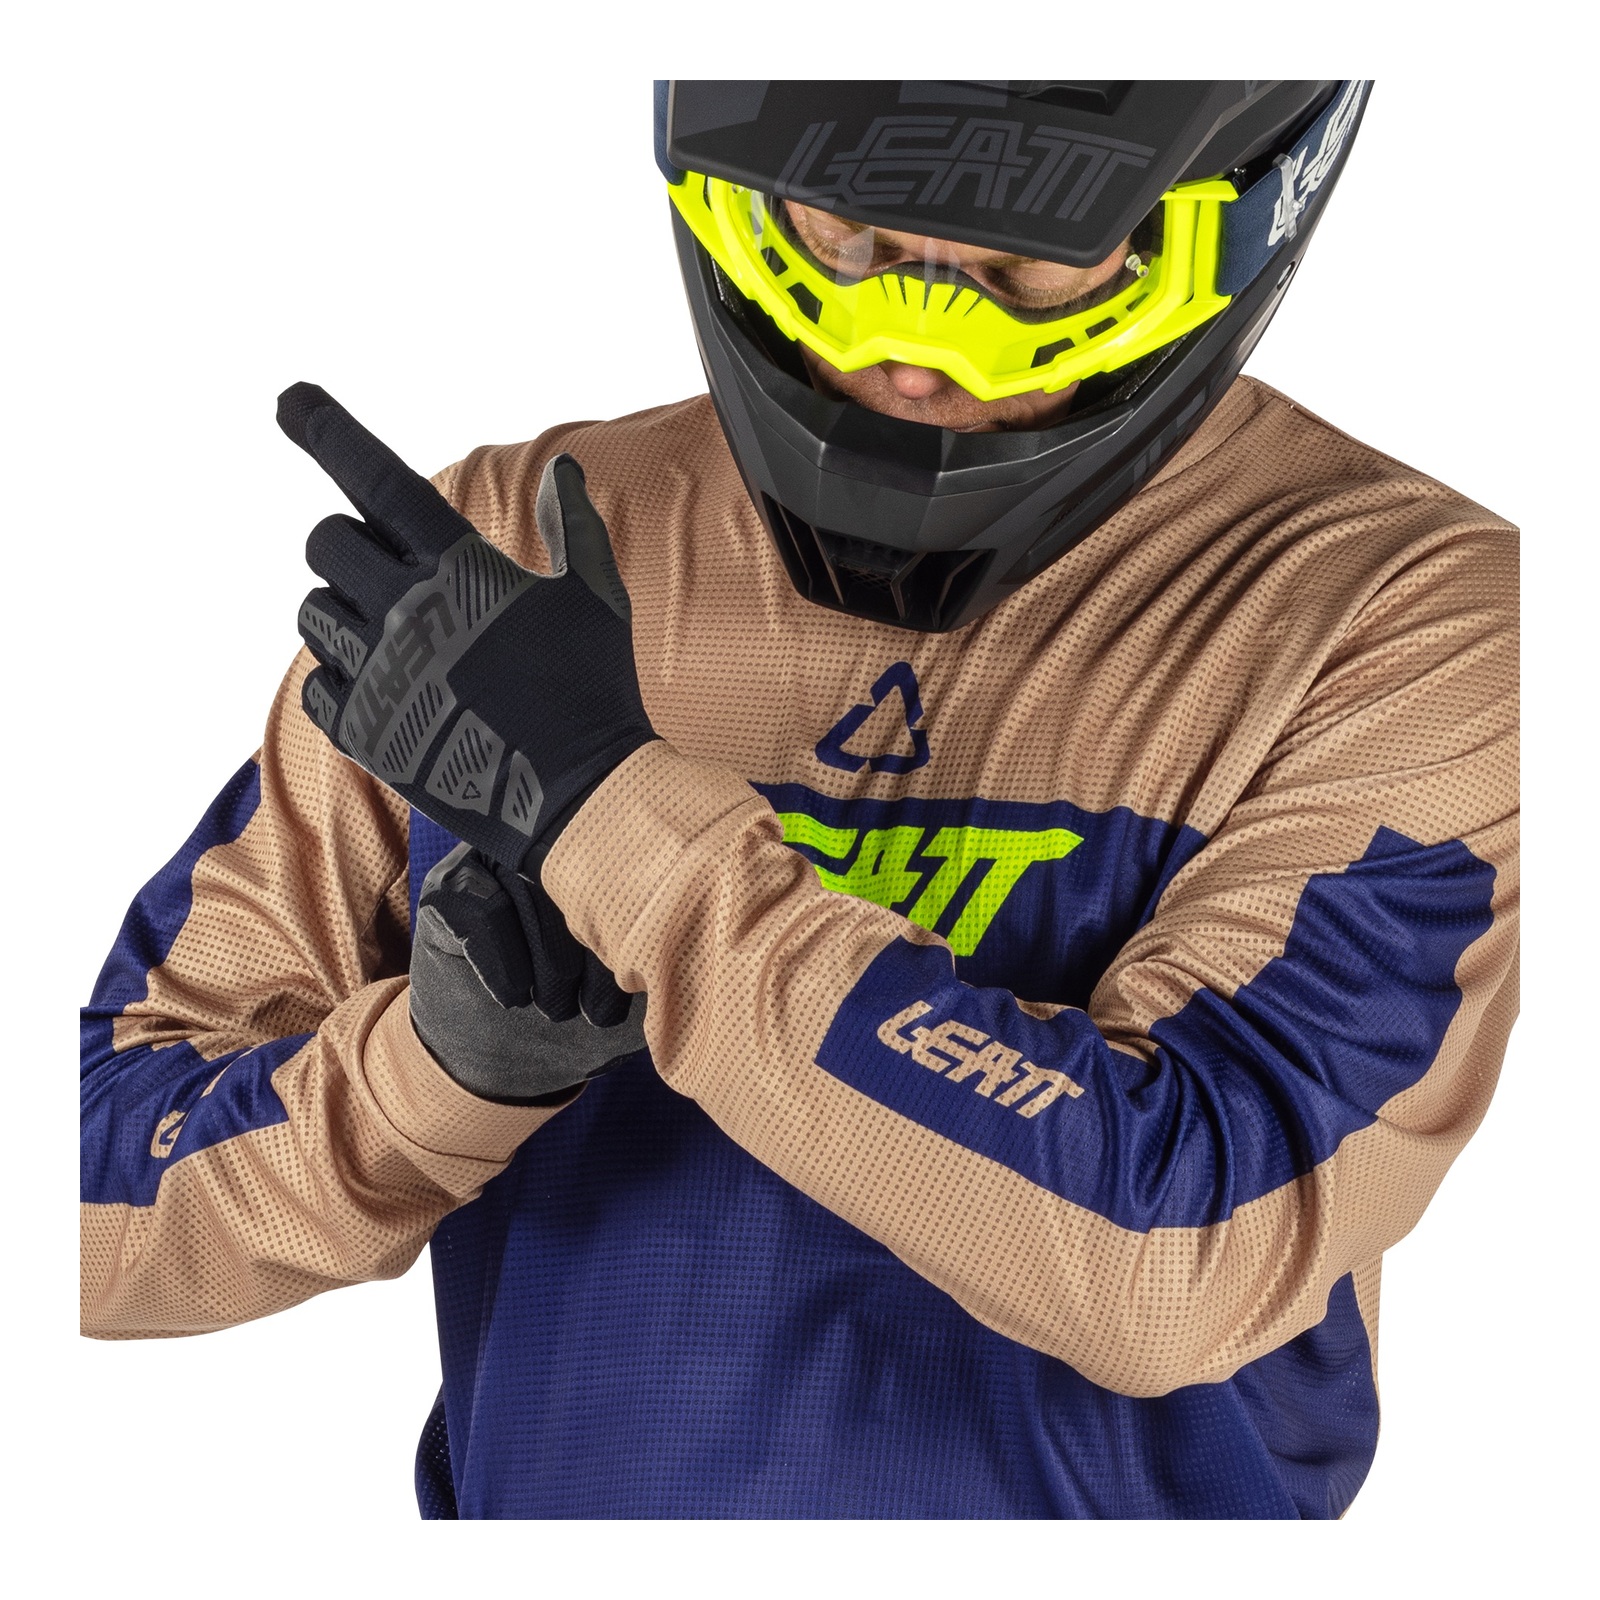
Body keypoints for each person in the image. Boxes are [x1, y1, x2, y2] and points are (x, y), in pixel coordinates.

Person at [80, 80, 1519, 1519]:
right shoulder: (513, 559)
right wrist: (443, 1072)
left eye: (1031, 265)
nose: (916, 349)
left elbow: (1180, 1245)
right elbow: (87, 1209)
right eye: (849, 234)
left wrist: (612, 823)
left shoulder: (1405, 621)